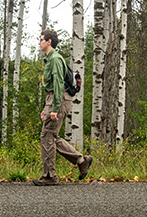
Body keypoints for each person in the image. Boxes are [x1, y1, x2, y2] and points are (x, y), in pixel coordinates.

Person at [33, 30, 93, 186]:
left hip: (58, 98)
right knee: (51, 136)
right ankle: (81, 160)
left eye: (41, 40)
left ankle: (49, 176)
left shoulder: (55, 59)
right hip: (54, 98)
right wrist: (47, 107)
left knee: (47, 135)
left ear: (49, 42)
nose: (39, 42)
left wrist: (54, 108)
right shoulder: (50, 59)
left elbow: (59, 83)